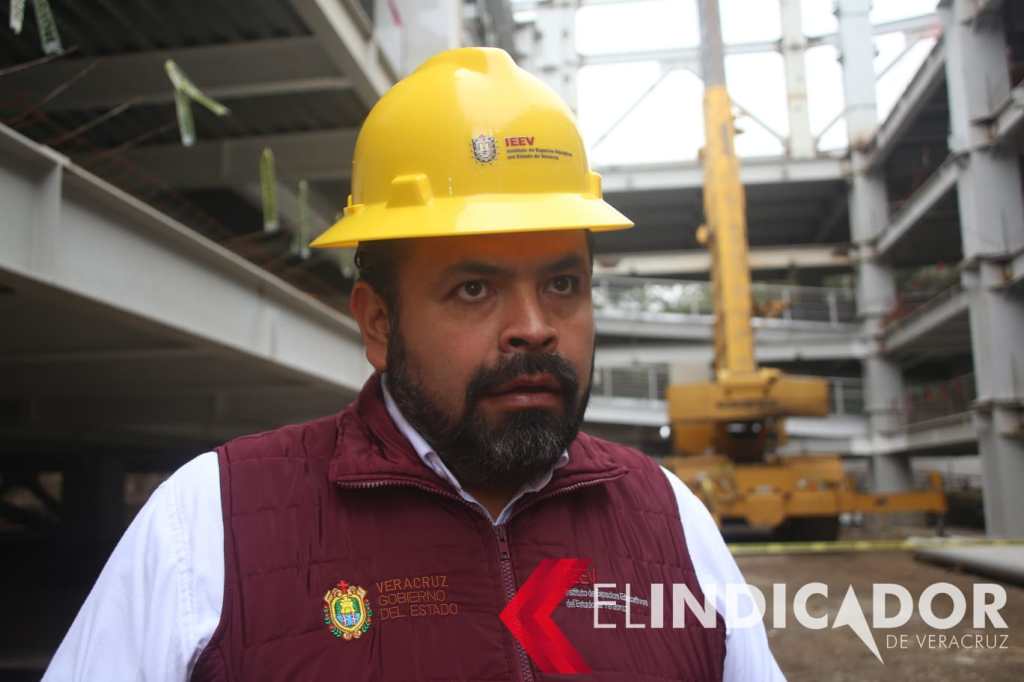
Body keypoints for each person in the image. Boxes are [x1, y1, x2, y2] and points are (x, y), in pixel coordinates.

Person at [43, 47, 784, 681]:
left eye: (563, 285)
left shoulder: (669, 518)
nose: (534, 329)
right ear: (377, 321)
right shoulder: (209, 525)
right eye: (474, 289)